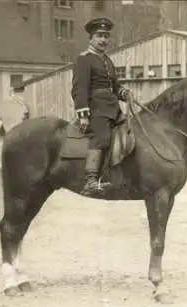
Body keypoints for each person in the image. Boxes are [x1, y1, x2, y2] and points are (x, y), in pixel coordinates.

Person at [71, 17, 133, 196]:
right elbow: (79, 89)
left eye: (106, 36)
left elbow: (114, 87)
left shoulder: (107, 60)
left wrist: (124, 93)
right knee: (103, 137)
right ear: (90, 38)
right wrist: (83, 114)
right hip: (96, 109)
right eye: (99, 35)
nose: (103, 40)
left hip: (113, 109)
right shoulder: (84, 60)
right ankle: (91, 179)